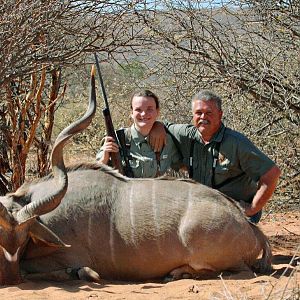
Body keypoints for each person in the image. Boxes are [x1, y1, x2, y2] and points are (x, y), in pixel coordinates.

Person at [149, 90, 281, 223]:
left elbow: (272, 173)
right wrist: (157, 127)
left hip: (235, 215)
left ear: (220, 114)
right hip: (205, 212)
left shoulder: (236, 143)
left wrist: (253, 208)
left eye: (209, 113)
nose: (203, 117)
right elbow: (163, 125)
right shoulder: (185, 134)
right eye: (198, 113)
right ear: (193, 115)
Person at [96, 89, 182, 178]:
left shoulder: (167, 140)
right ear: (131, 113)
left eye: (150, 109)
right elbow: (94, 174)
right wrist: (104, 158)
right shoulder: (116, 139)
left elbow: (183, 166)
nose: (144, 114)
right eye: (138, 110)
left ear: (157, 112)